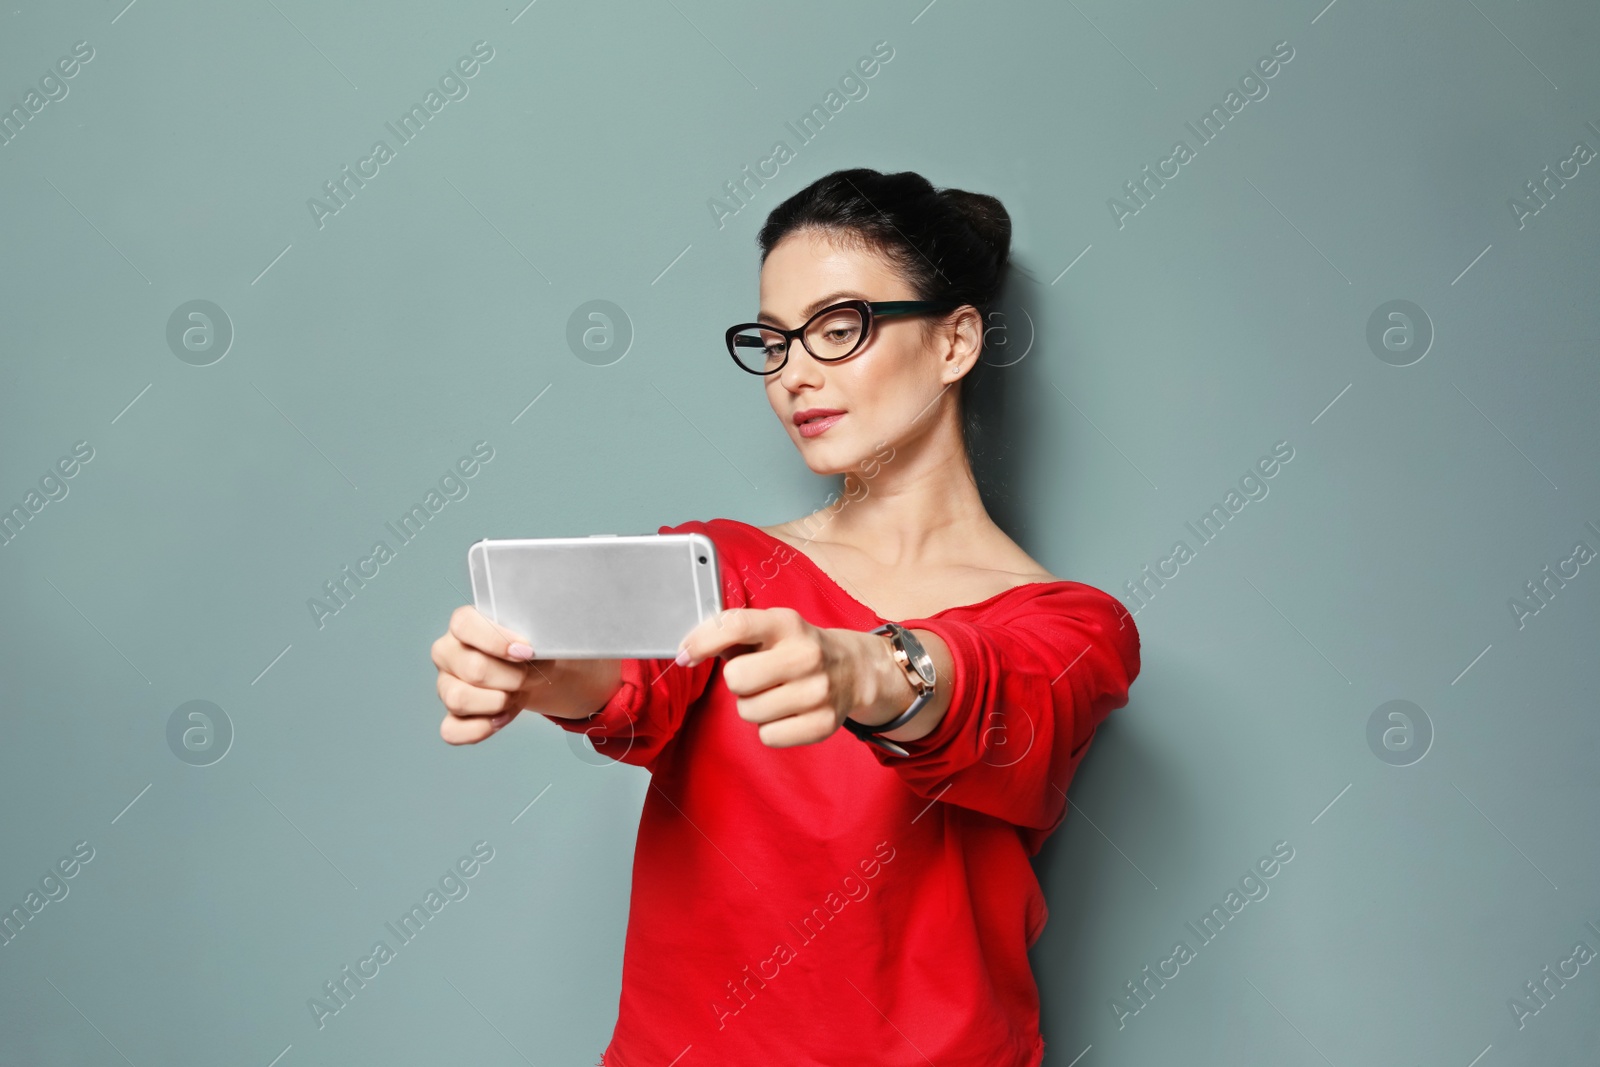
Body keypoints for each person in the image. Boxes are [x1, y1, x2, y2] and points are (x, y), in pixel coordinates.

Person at [429, 168, 1141, 1066]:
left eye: (839, 328)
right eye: (773, 341)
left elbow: (998, 692)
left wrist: (862, 671)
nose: (795, 373)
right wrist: (539, 672)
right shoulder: (718, 562)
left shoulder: (1076, 628)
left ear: (956, 340)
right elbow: (627, 678)